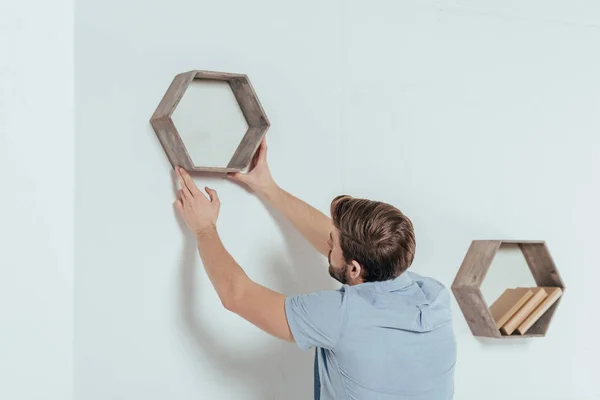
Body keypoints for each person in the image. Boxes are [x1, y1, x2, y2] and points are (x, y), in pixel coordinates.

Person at [173, 139, 457, 400]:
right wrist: (268, 187)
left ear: (356, 269)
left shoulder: (342, 315)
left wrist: (204, 228)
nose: (327, 244)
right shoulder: (434, 297)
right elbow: (345, 248)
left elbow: (236, 295)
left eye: (332, 244)